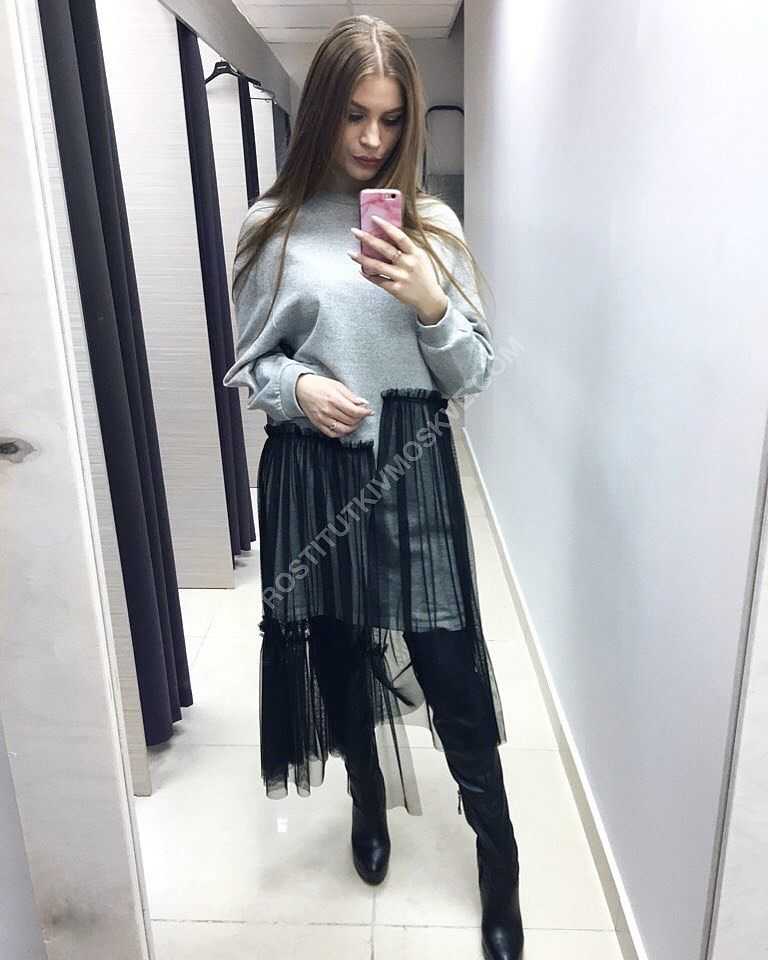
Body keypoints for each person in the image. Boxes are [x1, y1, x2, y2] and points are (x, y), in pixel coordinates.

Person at [222, 15, 524, 960]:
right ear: (322, 111)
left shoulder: (431, 227)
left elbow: (473, 373)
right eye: (355, 115)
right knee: (340, 653)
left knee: (449, 665)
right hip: (313, 471)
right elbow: (249, 364)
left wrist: (430, 303)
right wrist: (299, 389)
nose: (371, 139)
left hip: (411, 466)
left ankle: (500, 860)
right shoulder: (271, 228)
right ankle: (365, 799)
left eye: (391, 120)